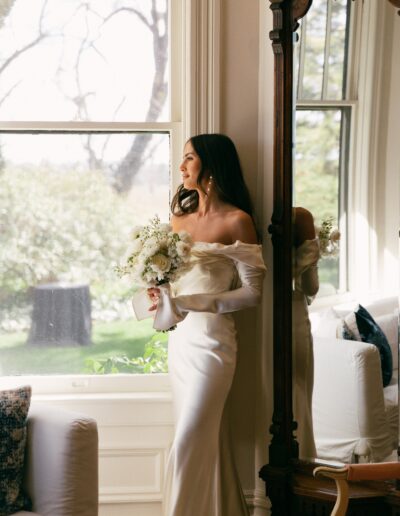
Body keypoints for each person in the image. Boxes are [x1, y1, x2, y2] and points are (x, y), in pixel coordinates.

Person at [147, 133, 266, 516]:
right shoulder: (177, 220)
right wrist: (159, 293)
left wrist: (193, 302)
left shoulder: (237, 220)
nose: (181, 167)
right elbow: (172, 281)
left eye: (189, 159)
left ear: (212, 165)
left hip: (214, 346)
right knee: (205, 441)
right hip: (181, 344)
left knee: (188, 441)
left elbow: (253, 294)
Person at [292, 206, 320, 459]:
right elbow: (311, 287)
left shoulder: (239, 215)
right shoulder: (300, 217)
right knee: (298, 391)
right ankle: (302, 461)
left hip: (247, 317)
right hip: (292, 317)